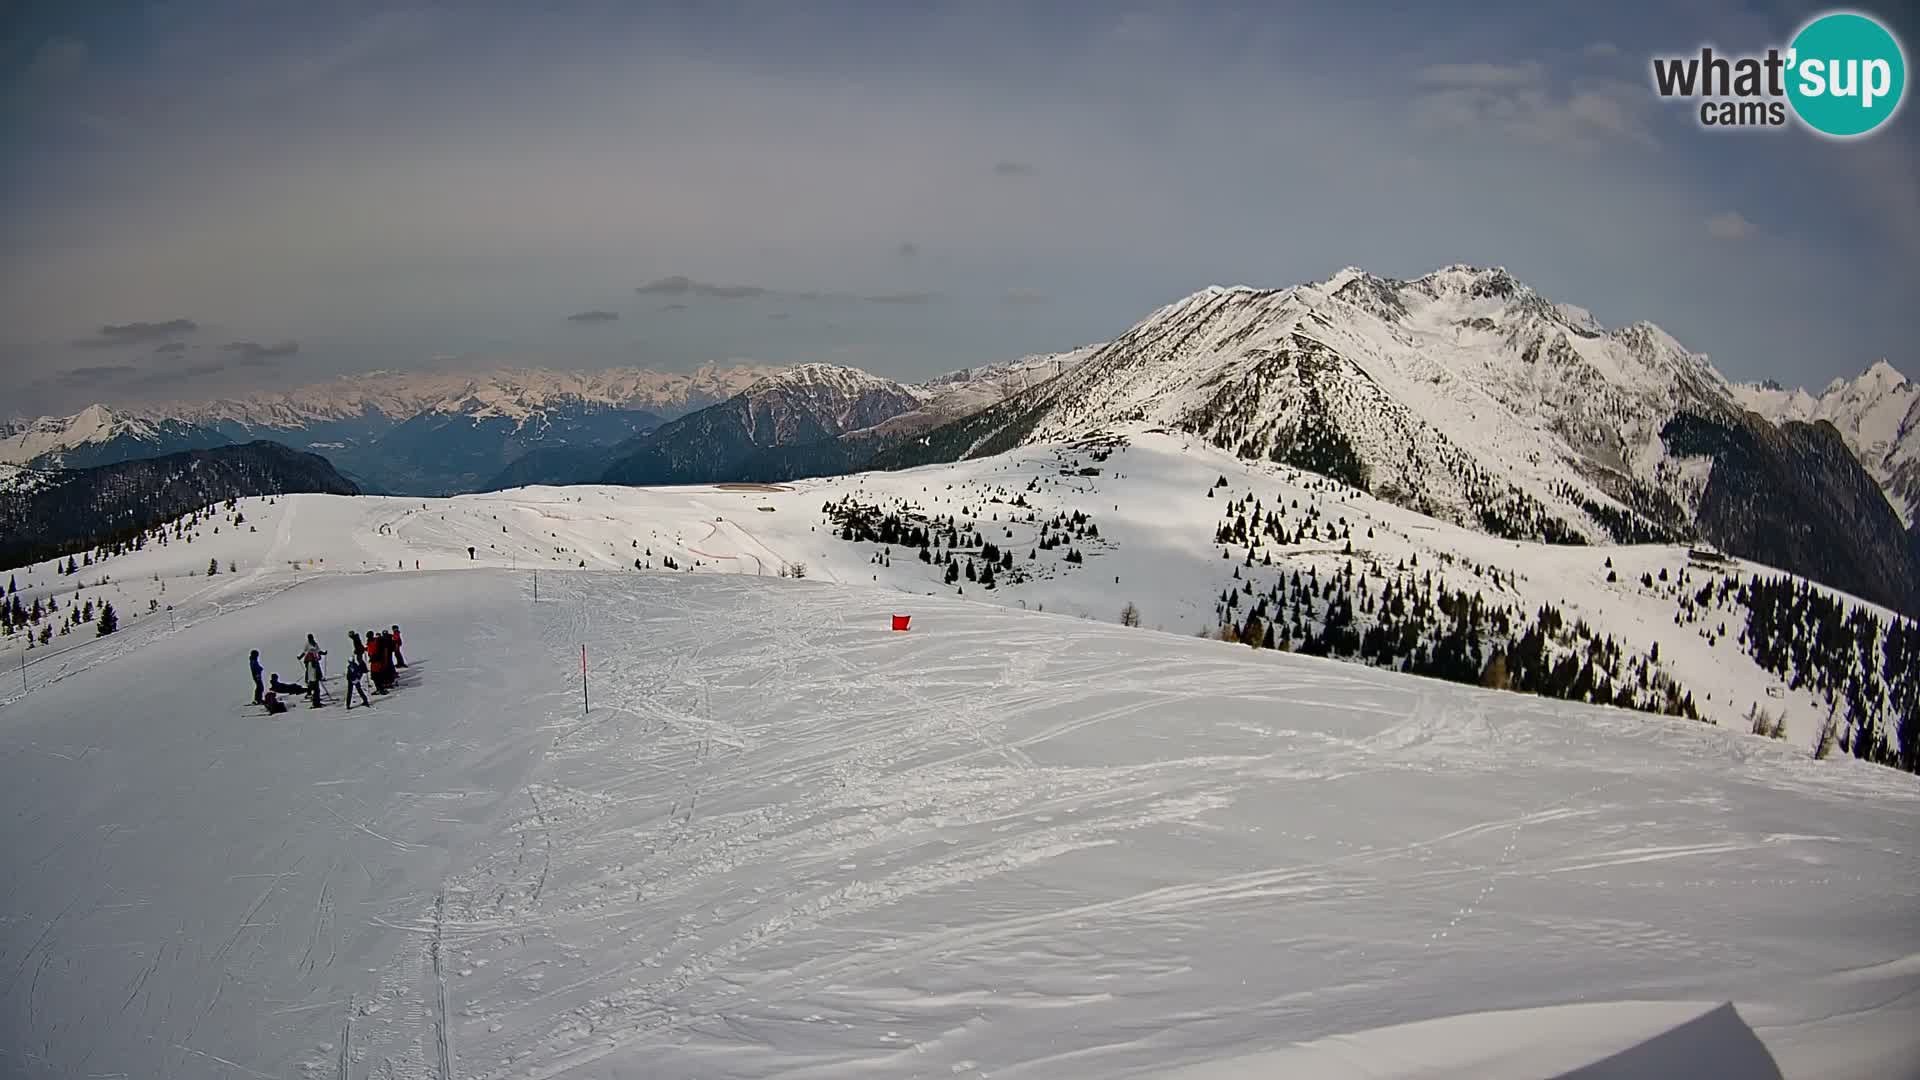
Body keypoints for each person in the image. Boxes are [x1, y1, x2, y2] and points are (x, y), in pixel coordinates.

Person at [299, 637, 326, 708]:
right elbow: (304, 652)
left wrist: (323, 653)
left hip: (314, 662)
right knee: (311, 678)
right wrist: (300, 657)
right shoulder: (307, 645)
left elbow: (318, 651)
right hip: (310, 663)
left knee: (314, 681)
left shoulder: (315, 644)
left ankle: (314, 697)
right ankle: (310, 694)